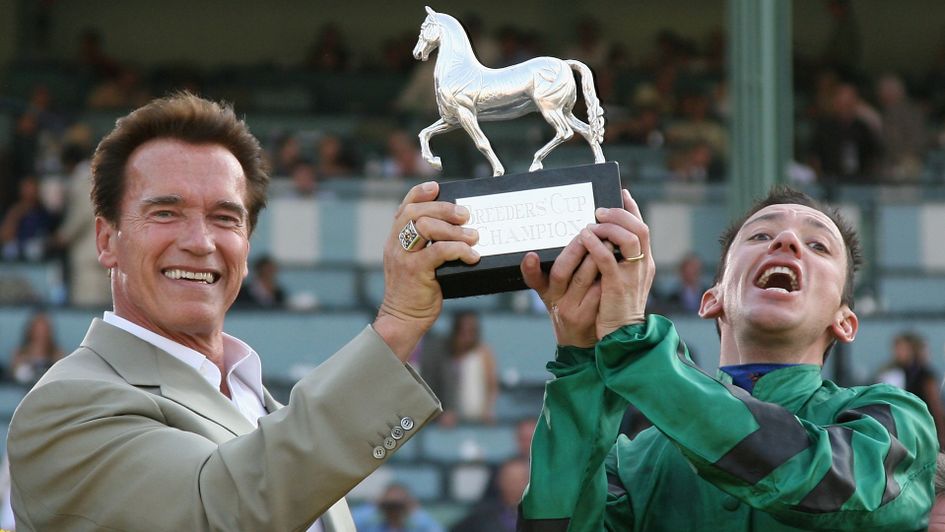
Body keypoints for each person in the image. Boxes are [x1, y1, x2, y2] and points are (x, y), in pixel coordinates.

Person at [7, 92, 481, 531]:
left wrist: (560, 350)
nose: (199, 242)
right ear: (107, 240)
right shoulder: (65, 407)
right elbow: (219, 512)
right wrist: (397, 323)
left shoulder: (260, 402)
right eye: (166, 213)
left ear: (247, 246)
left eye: (224, 218)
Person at [517, 186, 936, 529]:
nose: (786, 241)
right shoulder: (632, 460)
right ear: (712, 300)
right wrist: (581, 358)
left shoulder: (896, 419)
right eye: (759, 236)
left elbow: (823, 483)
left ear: (845, 322)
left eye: (818, 246)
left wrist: (633, 344)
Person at [426, 310, 499, 426]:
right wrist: (443, 412)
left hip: (479, 415)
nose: (467, 336)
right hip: (451, 417)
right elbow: (437, 385)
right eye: (463, 331)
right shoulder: (445, 354)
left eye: (471, 331)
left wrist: (489, 410)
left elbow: (492, 385)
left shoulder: (484, 353)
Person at [876, 331, 945, 449]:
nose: (897, 352)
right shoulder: (897, 372)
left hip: (923, 427)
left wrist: (942, 435)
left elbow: (936, 407)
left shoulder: (925, 375)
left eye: (901, 348)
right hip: (907, 427)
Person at [451, 457, 529, 532]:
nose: (514, 484)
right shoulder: (480, 518)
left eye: (520, 479)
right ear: (499, 480)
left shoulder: (538, 516)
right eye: (510, 479)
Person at [351, 483, 443, 532]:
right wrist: (375, 505)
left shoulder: (418, 527)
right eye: (389, 506)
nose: (394, 511)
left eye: (399, 506)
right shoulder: (371, 526)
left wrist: (414, 510)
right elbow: (348, 523)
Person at [9, 311, 63, 386]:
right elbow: (14, 378)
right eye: (37, 330)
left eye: (44, 330)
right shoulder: (19, 354)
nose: (41, 334)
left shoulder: (58, 355)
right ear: (30, 331)